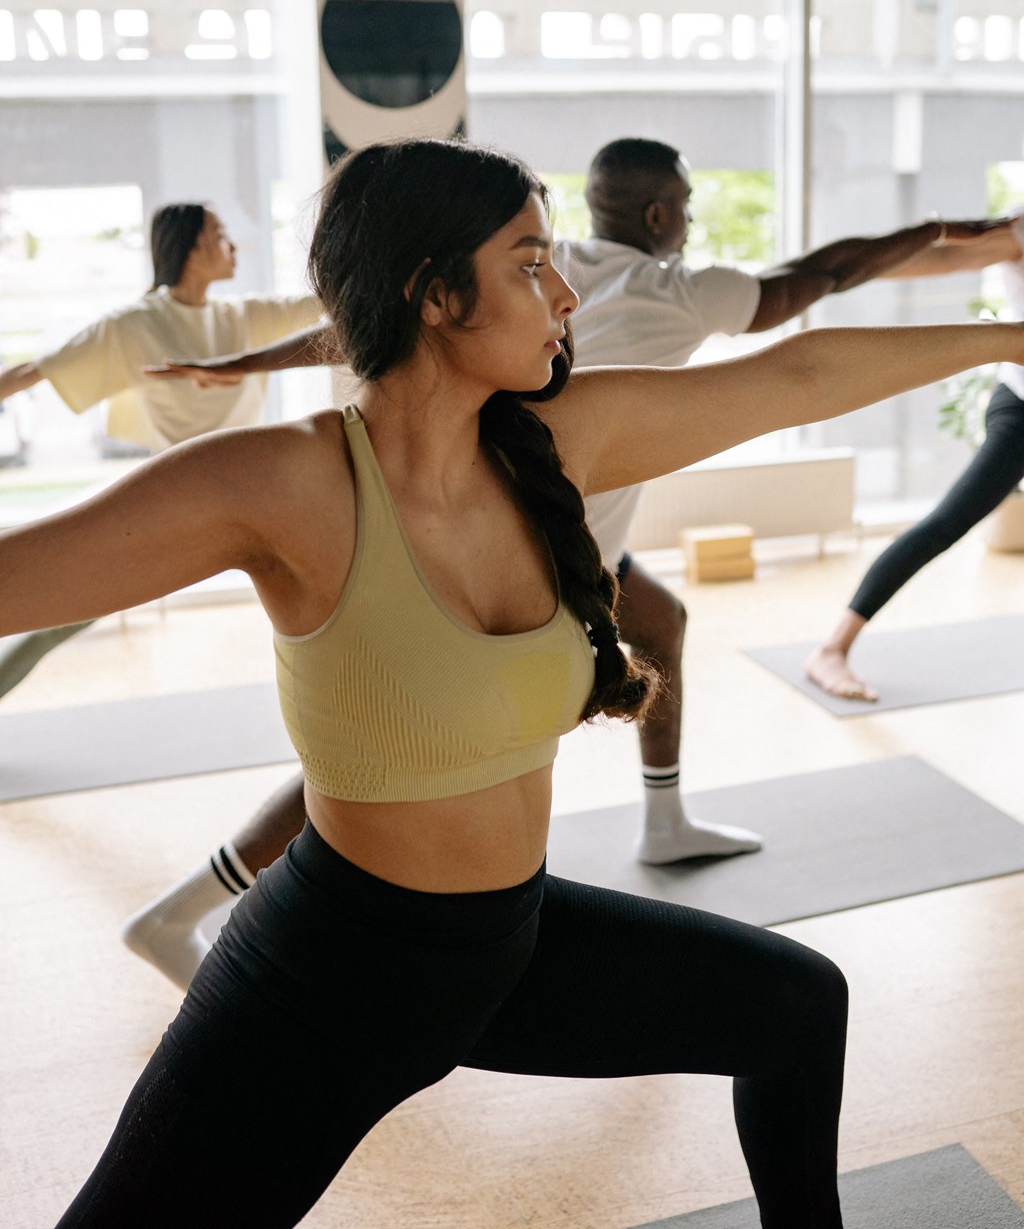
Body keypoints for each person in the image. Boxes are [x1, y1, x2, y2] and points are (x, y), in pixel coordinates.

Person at [5, 137, 1024, 1229]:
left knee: (793, 1005)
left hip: (505, 949)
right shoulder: (282, 484)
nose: (567, 294)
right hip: (330, 980)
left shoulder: (558, 440)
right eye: (531, 264)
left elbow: (799, 375)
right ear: (433, 294)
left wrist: (1010, 332)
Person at [123, 138, 1012, 990]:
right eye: (689, 207)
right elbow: (822, 279)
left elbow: (365, 321)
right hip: (534, 532)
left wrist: (238, 362)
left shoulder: (554, 268)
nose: (557, 299)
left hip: (571, 529)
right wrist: (931, 232)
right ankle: (190, 904)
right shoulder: (678, 291)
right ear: (662, 212)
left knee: (652, 624)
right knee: (403, 754)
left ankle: (663, 821)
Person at [0, 201, 322, 701]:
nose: (232, 245)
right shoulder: (134, 325)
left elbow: (326, 304)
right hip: (180, 495)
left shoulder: (242, 316)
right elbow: (34, 372)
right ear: (193, 249)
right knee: (66, 612)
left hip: (252, 495)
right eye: (220, 234)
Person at [806, 205, 1024, 701]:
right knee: (947, 523)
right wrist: (831, 270)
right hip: (1023, 406)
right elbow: (933, 263)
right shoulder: (1020, 232)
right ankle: (831, 649)